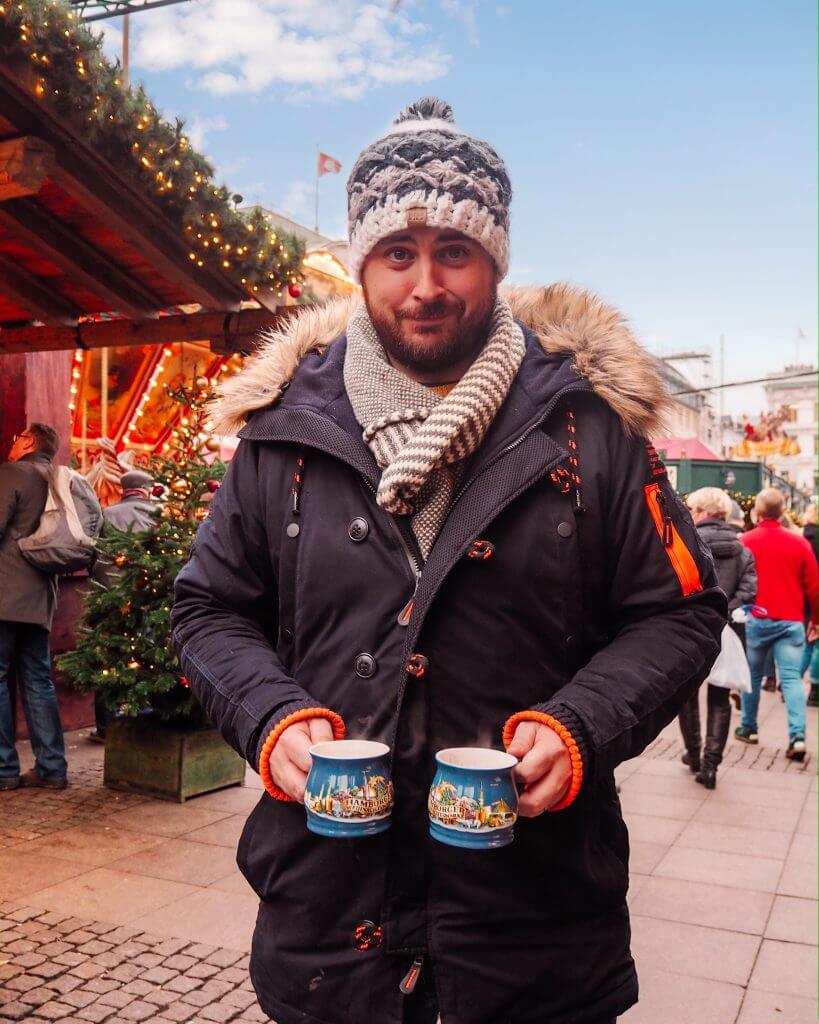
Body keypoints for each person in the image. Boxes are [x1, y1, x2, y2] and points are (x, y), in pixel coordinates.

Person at [172, 97, 725, 1024]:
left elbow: (680, 611)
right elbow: (207, 611)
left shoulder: (590, 425)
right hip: (328, 928)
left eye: (453, 251)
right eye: (398, 253)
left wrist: (581, 724)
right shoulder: (281, 434)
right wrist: (270, 718)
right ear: (363, 265)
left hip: (536, 931)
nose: (425, 283)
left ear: (494, 261)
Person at [0, 424, 68, 789]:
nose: (12, 444)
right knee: (38, 679)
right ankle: (52, 767)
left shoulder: (11, 473)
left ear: (28, 442)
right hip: (40, 597)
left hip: (4, 595)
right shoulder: (57, 478)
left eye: (16, 438)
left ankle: (4, 769)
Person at [678, 487, 756, 788]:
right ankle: (710, 766)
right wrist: (725, 612)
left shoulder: (689, 543)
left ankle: (694, 754)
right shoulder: (743, 550)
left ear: (701, 512)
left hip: (691, 629)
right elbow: (749, 590)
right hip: (728, 632)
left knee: (687, 694)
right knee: (720, 696)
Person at [737, 489, 819, 759]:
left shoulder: (746, 541)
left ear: (757, 513)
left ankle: (749, 728)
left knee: (753, 675)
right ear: (783, 512)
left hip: (756, 618)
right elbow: (814, 587)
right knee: (793, 678)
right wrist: (816, 621)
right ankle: (797, 737)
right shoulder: (799, 543)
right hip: (790, 620)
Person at [83, 469, 158, 743]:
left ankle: (106, 727)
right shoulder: (158, 515)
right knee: (146, 659)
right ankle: (143, 719)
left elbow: (91, 554)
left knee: (108, 662)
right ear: (147, 489)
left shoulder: (107, 514)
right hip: (146, 601)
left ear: (123, 489)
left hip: (109, 600)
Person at [802, 501, 819, 707]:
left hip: (802, 593)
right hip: (815, 591)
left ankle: (791, 682)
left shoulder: (802, 536)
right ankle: (815, 688)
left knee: (807, 640)